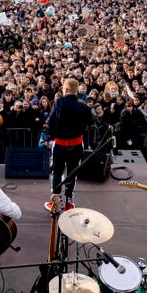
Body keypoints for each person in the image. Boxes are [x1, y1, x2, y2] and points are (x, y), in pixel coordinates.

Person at [46, 78, 93, 210]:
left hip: (59, 144)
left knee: (56, 171)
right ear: (76, 90)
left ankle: (55, 201)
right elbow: (90, 123)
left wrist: (50, 137)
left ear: (65, 89)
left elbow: (50, 122)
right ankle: (68, 202)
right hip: (77, 145)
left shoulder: (59, 102)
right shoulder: (83, 106)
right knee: (72, 172)